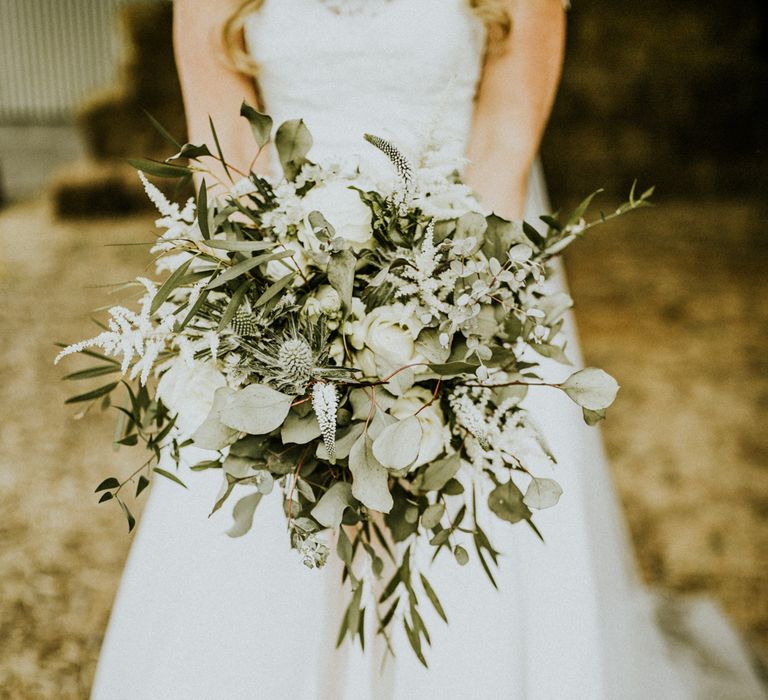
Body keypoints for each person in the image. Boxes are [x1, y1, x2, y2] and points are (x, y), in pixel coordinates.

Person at [91, 1, 767, 698]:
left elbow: (506, 142)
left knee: (467, 532)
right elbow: (227, 160)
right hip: (280, 284)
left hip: (463, 272)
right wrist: (287, 320)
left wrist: (428, 335)